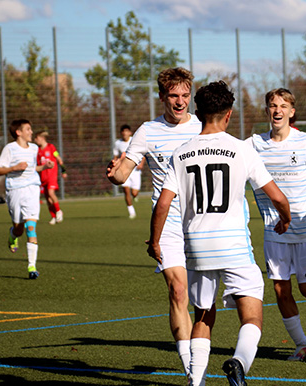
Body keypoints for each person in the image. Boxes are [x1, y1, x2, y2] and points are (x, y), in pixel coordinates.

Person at [147, 80, 291, 386]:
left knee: (203, 315)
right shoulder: (241, 150)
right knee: (251, 316)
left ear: (197, 112)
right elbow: (277, 197)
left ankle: (195, 381)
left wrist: (156, 241)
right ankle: (238, 363)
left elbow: (162, 203)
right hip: (234, 246)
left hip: (197, 247)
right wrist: (286, 218)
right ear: (229, 114)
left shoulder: (181, 153)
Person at [106, 67, 202, 382]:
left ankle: (196, 356)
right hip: (168, 222)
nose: (180, 101)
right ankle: (192, 370)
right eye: (174, 95)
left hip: (204, 222)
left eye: (185, 95)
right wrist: (115, 172)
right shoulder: (148, 131)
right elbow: (123, 174)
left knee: (203, 300)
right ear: (162, 97)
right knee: (178, 291)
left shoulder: (203, 128)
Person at [246, 88, 306, 362]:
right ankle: (302, 344)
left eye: (283, 106)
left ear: (291, 111)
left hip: (305, 229)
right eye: (273, 106)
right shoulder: (253, 145)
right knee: (280, 288)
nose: (277, 111)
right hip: (274, 231)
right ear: (267, 110)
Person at [0, 119, 54, 279]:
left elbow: (32, 168)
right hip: (15, 190)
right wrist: (13, 168)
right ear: (18, 132)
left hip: (32, 189)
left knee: (31, 227)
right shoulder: (10, 148)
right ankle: (13, 235)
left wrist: (44, 167)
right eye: (28, 129)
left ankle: (32, 266)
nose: (31, 132)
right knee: (19, 228)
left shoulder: (34, 148)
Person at [34, 130, 67, 225]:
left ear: (42, 138)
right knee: (48, 199)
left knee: (50, 192)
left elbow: (59, 158)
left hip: (51, 176)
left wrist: (63, 170)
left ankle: (59, 211)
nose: (35, 140)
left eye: (37, 138)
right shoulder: (38, 151)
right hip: (42, 177)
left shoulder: (51, 147)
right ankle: (53, 216)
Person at [113, 124, 144, 219]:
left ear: (130, 132)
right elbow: (115, 156)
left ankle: (135, 196)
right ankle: (131, 211)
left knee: (134, 193)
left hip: (135, 171)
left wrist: (141, 163)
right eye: (123, 132)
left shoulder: (134, 140)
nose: (125, 133)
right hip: (124, 170)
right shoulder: (118, 143)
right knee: (126, 191)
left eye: (127, 131)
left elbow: (142, 152)